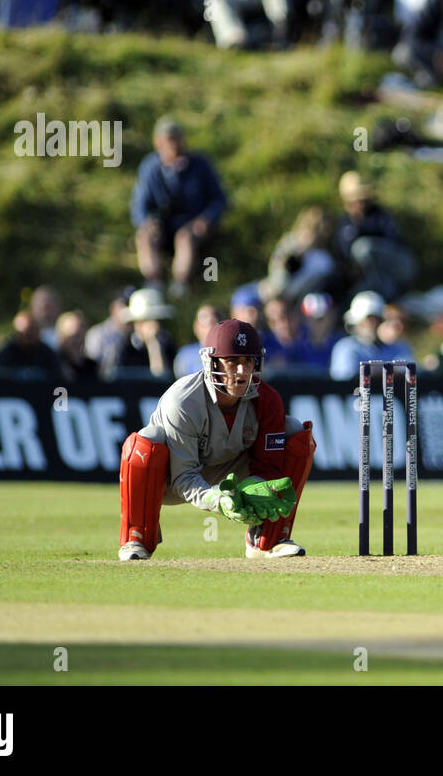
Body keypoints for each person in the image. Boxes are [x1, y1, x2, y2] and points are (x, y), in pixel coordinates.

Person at [117, 318, 317, 561]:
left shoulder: (268, 399)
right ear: (210, 362)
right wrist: (217, 500)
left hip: (230, 470)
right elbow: (183, 477)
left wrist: (253, 490)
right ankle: (136, 537)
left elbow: (269, 467)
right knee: (144, 442)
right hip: (169, 478)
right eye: (232, 362)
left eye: (248, 361)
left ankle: (269, 540)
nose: (242, 372)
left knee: (296, 432)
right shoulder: (183, 401)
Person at [131, 116, 228, 297]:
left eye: (178, 138)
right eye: (169, 140)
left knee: (185, 237)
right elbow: (139, 204)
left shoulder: (201, 165)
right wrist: (146, 222)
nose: (175, 145)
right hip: (163, 226)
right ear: (158, 142)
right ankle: (153, 282)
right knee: (144, 236)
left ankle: (180, 284)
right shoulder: (150, 167)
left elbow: (219, 199)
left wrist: (207, 219)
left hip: (193, 226)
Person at [334, 171, 416, 301]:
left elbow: (395, 242)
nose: (361, 203)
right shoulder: (345, 223)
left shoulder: (380, 216)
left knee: (363, 248)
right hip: (368, 276)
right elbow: (344, 255)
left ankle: (389, 293)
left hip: (400, 266)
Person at [0, 310, 63, 379]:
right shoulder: (5, 353)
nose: (28, 338)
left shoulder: (47, 354)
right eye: (25, 334)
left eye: (32, 333)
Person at [174, 302, 221, 378]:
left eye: (213, 322)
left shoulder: (230, 352)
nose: (210, 328)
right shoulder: (185, 355)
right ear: (196, 327)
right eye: (205, 323)